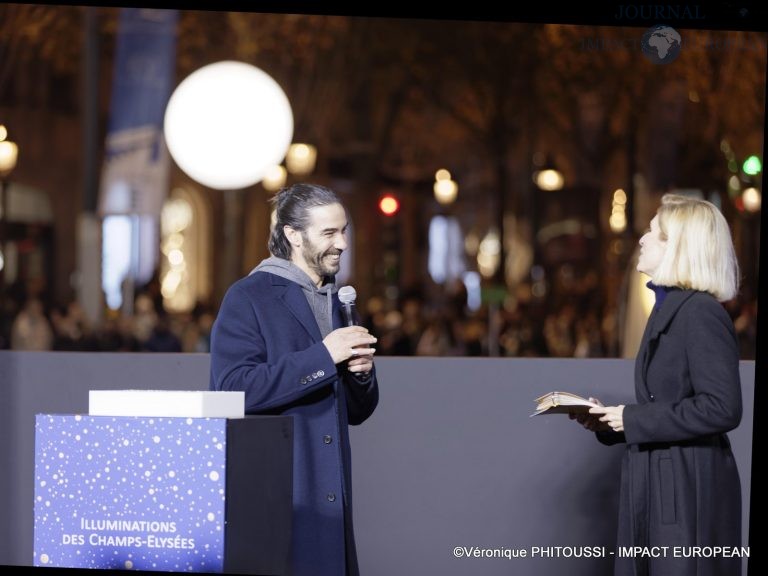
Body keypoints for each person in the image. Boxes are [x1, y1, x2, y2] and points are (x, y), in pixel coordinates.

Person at [210, 183, 379, 576]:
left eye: (344, 230)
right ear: (292, 235)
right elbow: (233, 388)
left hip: (332, 503)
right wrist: (325, 356)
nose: (342, 243)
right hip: (279, 501)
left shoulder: (338, 302)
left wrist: (361, 377)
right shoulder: (249, 296)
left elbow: (357, 412)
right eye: (329, 233)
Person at [573, 193, 743, 576]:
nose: (642, 240)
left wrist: (630, 419)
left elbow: (723, 407)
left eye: (653, 232)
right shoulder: (671, 308)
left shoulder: (699, 313)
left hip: (687, 485)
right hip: (661, 478)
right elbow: (665, 401)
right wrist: (611, 422)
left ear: (677, 246)